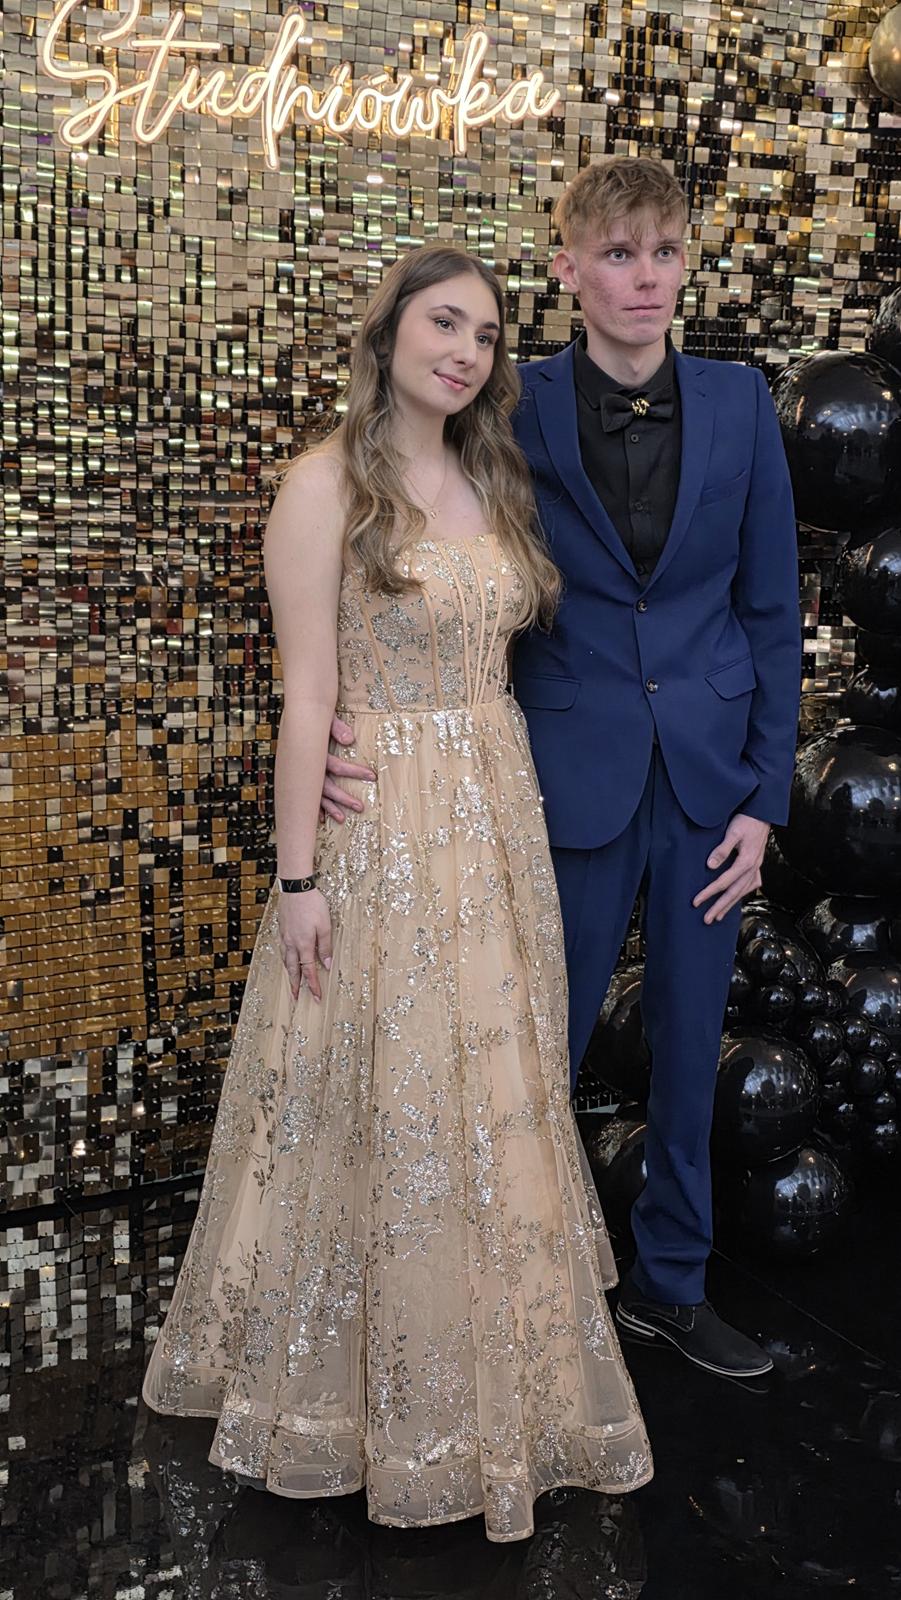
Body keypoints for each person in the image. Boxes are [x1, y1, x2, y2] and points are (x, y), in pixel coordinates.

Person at [142, 243, 652, 1542]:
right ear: (389, 334)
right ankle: (367, 1392)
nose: (466, 351)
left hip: (496, 819)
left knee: (490, 1089)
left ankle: (493, 1371)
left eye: (485, 334)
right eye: (444, 323)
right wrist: (298, 876)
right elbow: (307, 694)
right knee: (386, 1090)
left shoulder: (493, 476)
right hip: (383, 829)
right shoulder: (326, 483)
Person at [322, 158, 802, 1382]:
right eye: (619, 254)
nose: (646, 278)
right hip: (554, 771)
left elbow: (769, 607)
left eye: (665, 253)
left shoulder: (743, 402)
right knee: (531, 1042)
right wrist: (347, 715)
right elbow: (405, 524)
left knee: (691, 1045)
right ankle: (502, 1298)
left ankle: (671, 1285)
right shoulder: (507, 399)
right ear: (568, 269)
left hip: (708, 779)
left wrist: (763, 798)